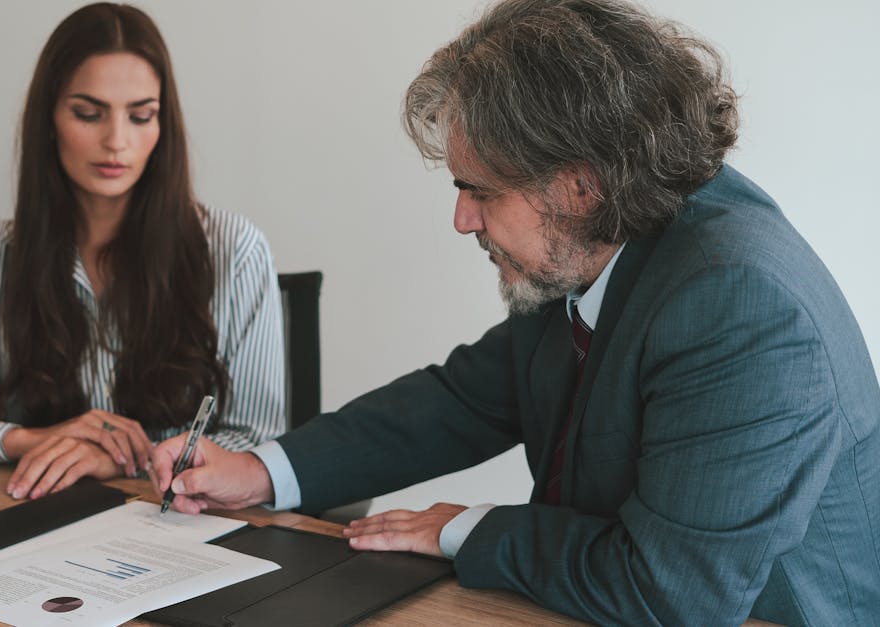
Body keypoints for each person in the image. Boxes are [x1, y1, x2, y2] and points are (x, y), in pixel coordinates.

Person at [149, 0, 880, 624]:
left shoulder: (742, 308)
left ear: (580, 186)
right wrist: (259, 469)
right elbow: (465, 397)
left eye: (480, 190)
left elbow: (671, 592)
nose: (462, 219)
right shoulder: (600, 235)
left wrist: (464, 528)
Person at [0, 3, 285, 502]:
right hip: (34, 522)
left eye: (141, 115)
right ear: (49, 119)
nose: (117, 140)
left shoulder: (234, 251)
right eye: (88, 114)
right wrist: (27, 439)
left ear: (163, 129)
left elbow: (256, 448)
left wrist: (118, 461)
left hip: (181, 531)